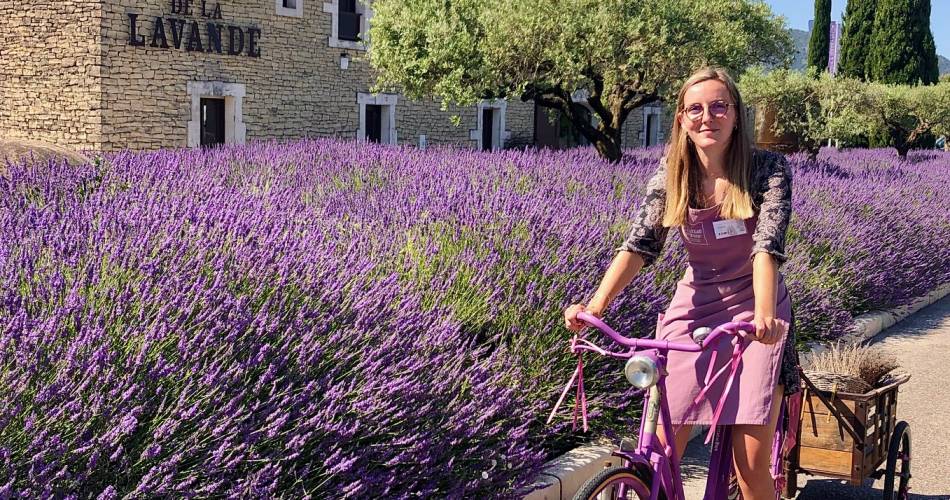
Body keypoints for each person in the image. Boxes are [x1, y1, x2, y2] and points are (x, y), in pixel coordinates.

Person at [563, 67, 798, 500]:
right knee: (662, 447)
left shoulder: (768, 169)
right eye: (695, 109)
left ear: (736, 114)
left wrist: (765, 318)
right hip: (695, 304)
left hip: (756, 308)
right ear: (681, 119)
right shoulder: (674, 169)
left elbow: (766, 248)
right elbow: (640, 244)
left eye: (718, 106)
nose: (707, 117)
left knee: (749, 467)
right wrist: (595, 307)